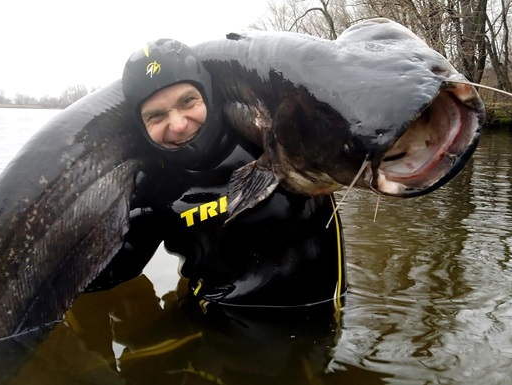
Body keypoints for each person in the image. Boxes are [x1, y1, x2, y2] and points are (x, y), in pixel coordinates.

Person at [85, 38, 347, 310]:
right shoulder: (154, 185)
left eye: (188, 101)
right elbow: (111, 269)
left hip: (320, 320)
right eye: (156, 116)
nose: (178, 124)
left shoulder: (271, 140)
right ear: (141, 126)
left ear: (209, 95)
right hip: (214, 324)